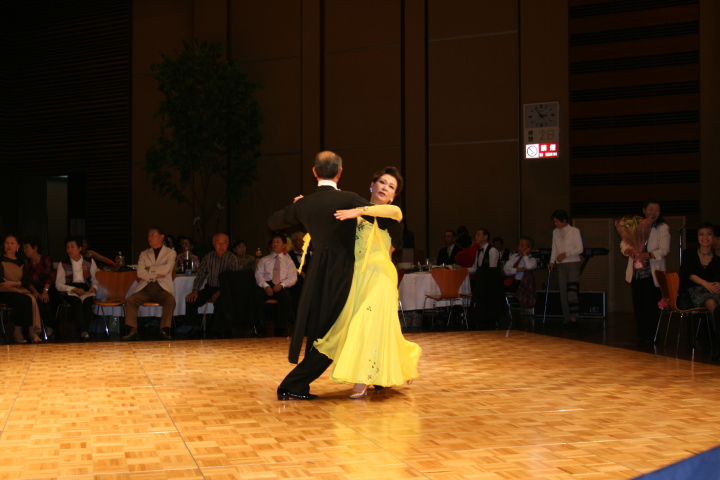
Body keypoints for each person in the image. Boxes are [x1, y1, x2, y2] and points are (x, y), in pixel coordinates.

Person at [269, 151, 371, 401]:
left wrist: (299, 207)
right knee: (336, 328)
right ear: (340, 172)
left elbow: (273, 222)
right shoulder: (350, 199)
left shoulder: (305, 203)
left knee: (322, 326)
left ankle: (374, 376)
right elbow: (382, 216)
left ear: (314, 172)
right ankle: (293, 383)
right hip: (343, 270)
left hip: (317, 270)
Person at [314, 166, 421, 398]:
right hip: (358, 277)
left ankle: (361, 380)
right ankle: (406, 357)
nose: (385, 188)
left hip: (381, 276)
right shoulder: (351, 211)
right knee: (369, 326)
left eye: (391, 187)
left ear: (393, 195)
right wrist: (304, 203)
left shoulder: (390, 216)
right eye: (382, 182)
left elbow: (395, 215)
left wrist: (358, 212)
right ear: (372, 185)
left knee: (366, 323)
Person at [620, 199, 670, 343]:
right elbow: (623, 242)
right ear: (644, 210)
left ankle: (652, 335)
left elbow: (664, 250)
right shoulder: (635, 225)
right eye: (651, 209)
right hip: (637, 273)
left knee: (651, 306)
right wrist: (628, 251)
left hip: (652, 273)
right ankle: (641, 334)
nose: (653, 213)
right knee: (638, 304)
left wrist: (648, 255)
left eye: (657, 210)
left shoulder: (662, 227)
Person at [122, 227, 176, 341]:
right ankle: (133, 330)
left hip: (162, 288)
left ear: (161, 237)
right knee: (130, 300)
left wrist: (150, 269)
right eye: (149, 236)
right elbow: (140, 273)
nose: (150, 238)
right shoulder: (144, 254)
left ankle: (164, 330)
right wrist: (155, 275)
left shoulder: (170, 253)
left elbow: (166, 269)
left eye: (153, 235)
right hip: (146, 287)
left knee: (170, 300)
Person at [185, 233, 240, 330]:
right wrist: (195, 290)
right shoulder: (208, 257)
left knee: (220, 303)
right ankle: (192, 326)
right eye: (218, 243)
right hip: (210, 288)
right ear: (214, 244)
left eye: (224, 243)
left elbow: (234, 280)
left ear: (227, 245)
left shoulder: (232, 259)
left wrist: (220, 292)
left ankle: (217, 329)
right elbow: (201, 275)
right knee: (191, 299)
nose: (221, 246)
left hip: (225, 290)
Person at [456, 228, 503, 328]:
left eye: (478, 234)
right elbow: (475, 268)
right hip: (482, 281)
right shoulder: (478, 252)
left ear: (486, 237)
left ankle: (490, 321)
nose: (476, 237)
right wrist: (461, 269)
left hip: (491, 283)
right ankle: (480, 320)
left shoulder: (492, 250)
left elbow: (493, 269)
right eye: (476, 234)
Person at [0, 233, 43, 343]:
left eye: (12, 243)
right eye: (7, 243)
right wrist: (13, 287)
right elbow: (2, 282)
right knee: (22, 300)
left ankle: (31, 331)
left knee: (30, 299)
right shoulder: (1, 260)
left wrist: (14, 284)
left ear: (18, 246)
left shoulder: (21, 261)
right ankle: (17, 331)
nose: (9, 246)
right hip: (4, 291)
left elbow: (25, 280)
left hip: (17, 289)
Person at [56, 235, 99, 341]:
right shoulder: (63, 264)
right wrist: (73, 289)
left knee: (88, 302)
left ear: (80, 248)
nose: (69, 250)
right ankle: (83, 331)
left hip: (85, 287)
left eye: (72, 247)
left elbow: (95, 279)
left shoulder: (89, 261)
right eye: (67, 247)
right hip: (69, 288)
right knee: (76, 302)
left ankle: (83, 331)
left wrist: (93, 287)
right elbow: (59, 285)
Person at [254, 234, 297, 337]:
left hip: (281, 285)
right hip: (267, 284)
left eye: (278, 242)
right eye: (273, 242)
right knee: (257, 295)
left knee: (285, 296)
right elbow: (258, 275)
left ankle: (280, 329)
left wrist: (282, 285)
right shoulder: (264, 260)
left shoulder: (288, 261)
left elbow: (293, 278)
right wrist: (265, 286)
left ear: (284, 245)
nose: (275, 244)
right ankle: (261, 328)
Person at [548, 210, 584, 328]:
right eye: (554, 222)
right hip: (560, 265)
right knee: (563, 291)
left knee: (572, 290)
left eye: (557, 221)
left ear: (564, 221)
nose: (555, 224)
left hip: (573, 263)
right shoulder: (555, 232)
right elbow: (554, 248)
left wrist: (565, 254)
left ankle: (574, 317)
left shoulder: (574, 231)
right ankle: (566, 317)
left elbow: (580, 249)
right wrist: (552, 261)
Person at [22, 236, 57, 335]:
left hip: (48, 287)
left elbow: (50, 277)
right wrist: (34, 291)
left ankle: (50, 326)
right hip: (33, 288)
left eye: (27, 247)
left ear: (35, 247)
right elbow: (27, 280)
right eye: (23, 248)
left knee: (48, 299)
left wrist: (45, 291)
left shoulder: (46, 260)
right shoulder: (26, 262)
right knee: (34, 300)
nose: (25, 250)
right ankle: (36, 328)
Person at [503, 237, 537, 312]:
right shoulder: (514, 256)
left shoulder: (532, 260)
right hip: (510, 281)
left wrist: (525, 255)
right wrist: (518, 270)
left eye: (522, 245)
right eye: (519, 245)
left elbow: (528, 266)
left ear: (529, 248)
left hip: (521, 284)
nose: (519, 248)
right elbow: (506, 269)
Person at [288, 231, 310, 315]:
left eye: (303, 240)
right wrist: (300, 272)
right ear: (293, 242)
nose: (302, 242)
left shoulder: (310, 253)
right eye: (299, 240)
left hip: (308, 281)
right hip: (295, 283)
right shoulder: (288, 256)